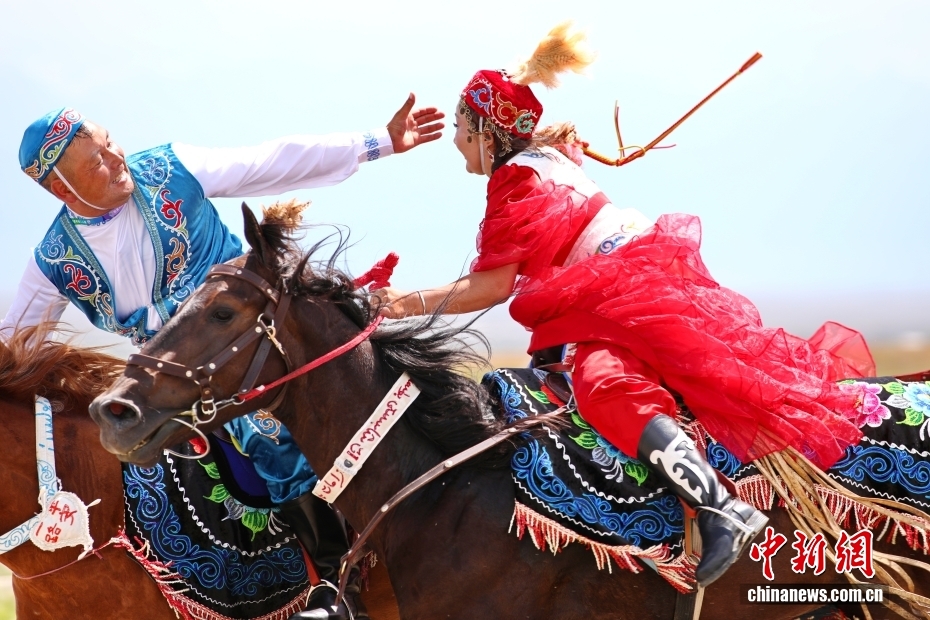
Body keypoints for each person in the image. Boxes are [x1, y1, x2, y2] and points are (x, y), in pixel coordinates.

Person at [373, 22, 875, 588]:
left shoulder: (514, 179)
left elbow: (491, 287)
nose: (457, 140)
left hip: (619, 292)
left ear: (487, 134)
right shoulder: (548, 160)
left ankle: (718, 508)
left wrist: (399, 305)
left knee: (604, 384)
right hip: (635, 281)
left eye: (462, 127)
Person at [5, 97, 443, 619]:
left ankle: (337, 583)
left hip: (258, 344)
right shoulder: (55, 260)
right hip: (175, 381)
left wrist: (380, 141)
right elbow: (11, 341)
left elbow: (272, 160)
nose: (118, 157)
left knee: (272, 438)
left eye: (109, 142)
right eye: (97, 160)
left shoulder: (170, 169)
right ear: (61, 190)